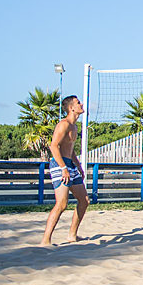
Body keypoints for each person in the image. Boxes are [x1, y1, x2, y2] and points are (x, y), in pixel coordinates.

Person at [41, 95, 90, 245]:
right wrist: (63, 168)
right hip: (59, 164)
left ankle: (72, 235)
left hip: (70, 165)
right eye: (77, 103)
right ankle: (46, 240)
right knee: (62, 203)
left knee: (84, 200)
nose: (81, 104)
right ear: (71, 108)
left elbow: (70, 150)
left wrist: (79, 166)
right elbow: (53, 146)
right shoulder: (64, 124)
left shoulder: (74, 126)